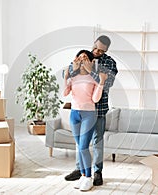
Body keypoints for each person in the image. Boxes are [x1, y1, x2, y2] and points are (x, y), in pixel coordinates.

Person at [65, 35, 118, 186]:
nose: (96, 51)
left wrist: (92, 71)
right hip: (80, 108)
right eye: (95, 48)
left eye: (101, 51)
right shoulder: (84, 56)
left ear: (106, 50)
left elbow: (108, 83)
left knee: (97, 141)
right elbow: (67, 74)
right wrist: (75, 70)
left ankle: (97, 172)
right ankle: (80, 169)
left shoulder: (109, 62)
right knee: (80, 142)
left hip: (98, 109)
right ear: (93, 44)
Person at [63, 50, 107, 191]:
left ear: (90, 61)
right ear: (76, 60)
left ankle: (88, 178)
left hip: (89, 114)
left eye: (85, 58)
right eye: (80, 57)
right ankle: (83, 175)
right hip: (74, 114)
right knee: (79, 147)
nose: (82, 60)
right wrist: (66, 78)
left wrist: (101, 82)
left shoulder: (94, 77)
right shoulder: (73, 77)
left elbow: (95, 99)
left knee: (83, 147)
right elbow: (65, 93)